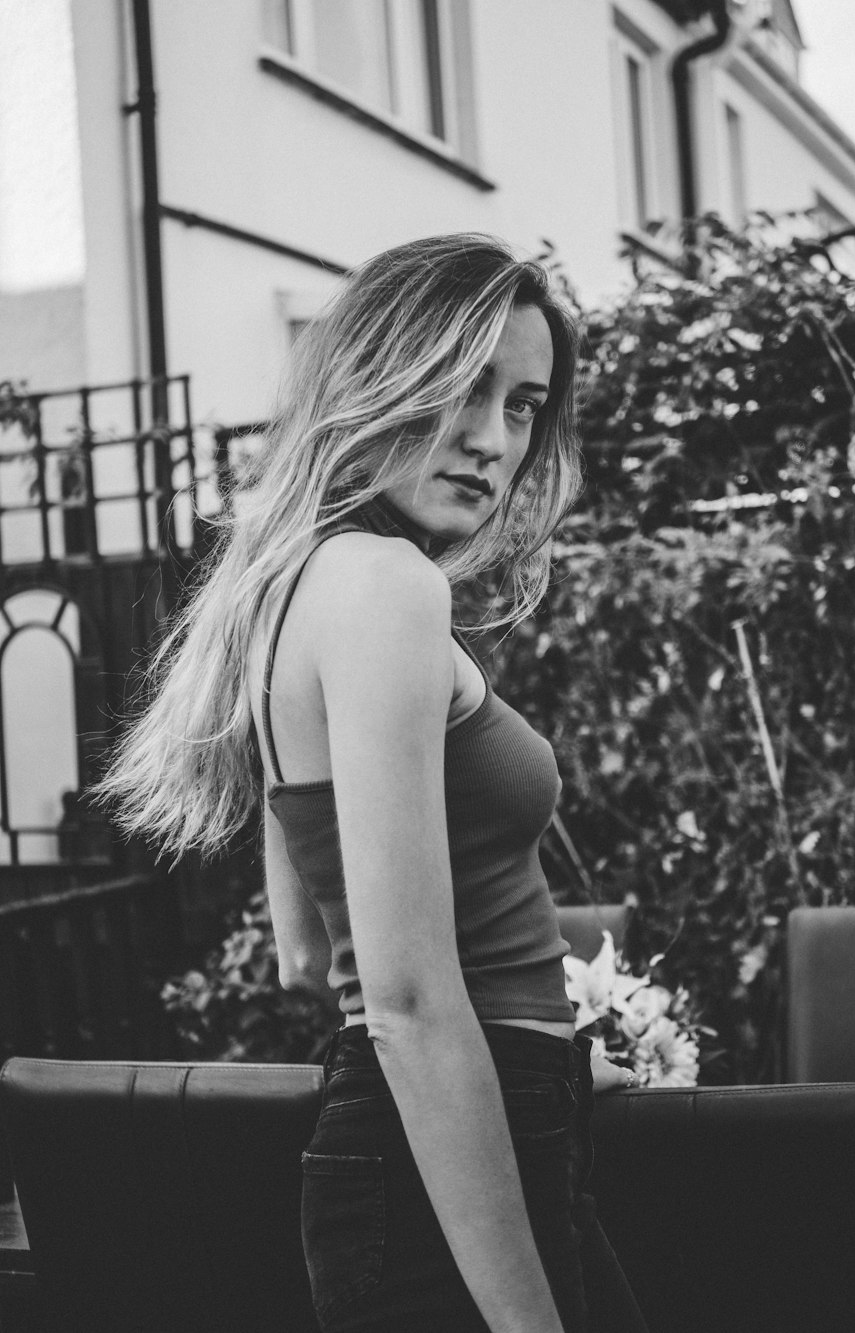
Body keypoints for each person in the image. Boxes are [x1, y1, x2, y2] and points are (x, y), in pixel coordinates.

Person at [97, 233, 649, 1333]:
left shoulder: (296, 590)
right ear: (383, 374)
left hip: (456, 1133)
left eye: (527, 405)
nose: (495, 441)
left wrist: (551, 1056)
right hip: (448, 1151)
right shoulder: (386, 588)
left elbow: (313, 954)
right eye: (467, 388)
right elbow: (400, 999)